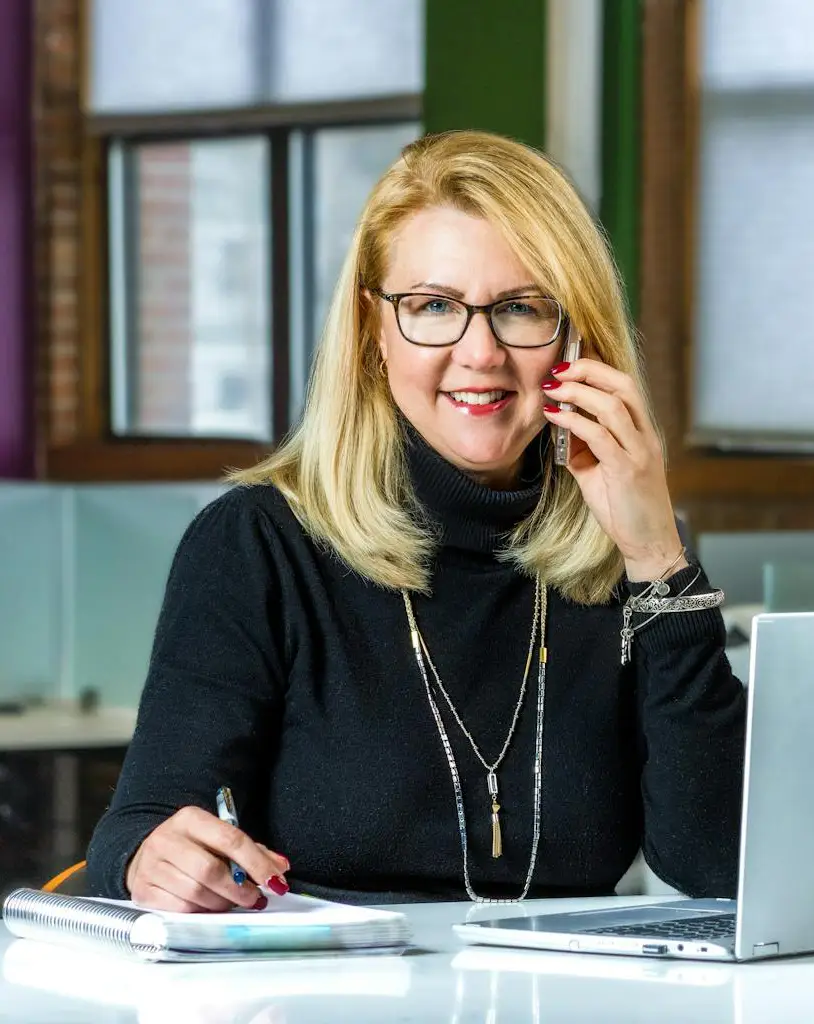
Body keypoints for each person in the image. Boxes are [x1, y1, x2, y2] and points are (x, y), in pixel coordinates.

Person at [87, 130, 746, 911]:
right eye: (434, 306)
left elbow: (717, 866)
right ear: (373, 330)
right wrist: (149, 858)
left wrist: (657, 557)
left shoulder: (627, 555)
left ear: (577, 334)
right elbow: (138, 831)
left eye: (521, 308)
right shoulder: (258, 543)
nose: (481, 352)